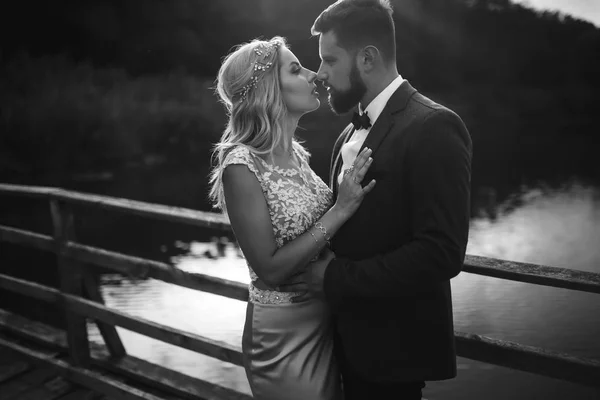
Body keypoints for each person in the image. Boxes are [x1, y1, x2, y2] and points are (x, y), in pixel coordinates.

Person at [283, 0, 473, 399]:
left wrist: (334, 278)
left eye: (330, 60)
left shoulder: (435, 126)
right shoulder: (345, 136)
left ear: (367, 59)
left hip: (392, 357)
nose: (321, 74)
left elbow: (441, 252)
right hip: (334, 349)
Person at [208, 36, 376, 400]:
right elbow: (269, 268)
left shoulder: (297, 154)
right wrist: (341, 209)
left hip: (326, 320)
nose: (315, 75)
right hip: (284, 338)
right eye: (297, 69)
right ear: (269, 88)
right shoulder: (240, 165)